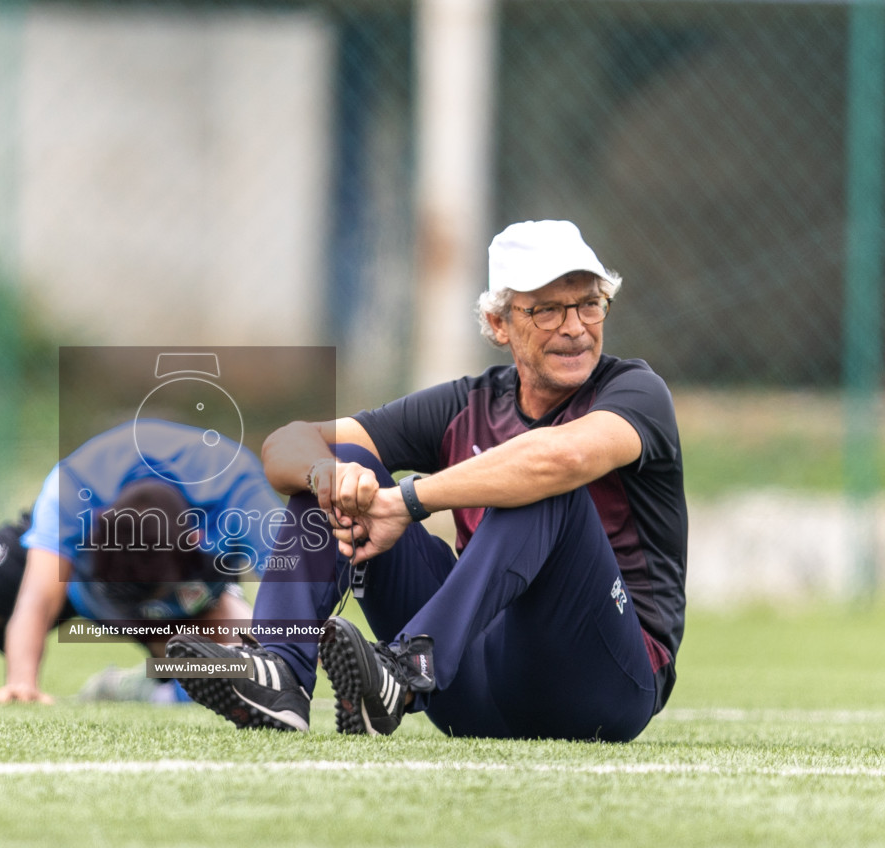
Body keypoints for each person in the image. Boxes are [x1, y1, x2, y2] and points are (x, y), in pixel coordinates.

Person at [169, 220, 687, 741]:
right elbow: (286, 444)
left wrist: (408, 500)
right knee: (341, 463)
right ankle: (280, 669)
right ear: (498, 323)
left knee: (541, 481)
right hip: (471, 690)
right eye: (548, 309)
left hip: (605, 687)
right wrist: (331, 476)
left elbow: (561, 458)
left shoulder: (636, 392)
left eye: (589, 304)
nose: (575, 326)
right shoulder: (468, 403)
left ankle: (408, 668)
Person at [0, 419, 302, 726]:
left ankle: (152, 684)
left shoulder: (240, 496)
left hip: (191, 598)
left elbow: (295, 591)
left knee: (247, 670)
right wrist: (21, 682)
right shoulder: (79, 489)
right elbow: (36, 600)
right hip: (62, 572)